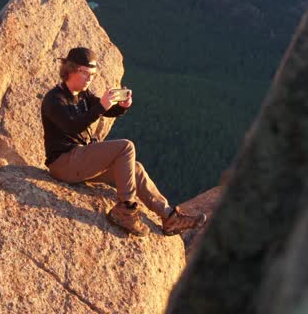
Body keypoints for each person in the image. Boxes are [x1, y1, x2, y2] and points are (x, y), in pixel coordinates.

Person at [40, 46, 207, 236]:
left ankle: (170, 217)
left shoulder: (83, 94)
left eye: (93, 74)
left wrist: (121, 106)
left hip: (80, 162)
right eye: (84, 73)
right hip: (64, 163)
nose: (89, 78)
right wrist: (101, 106)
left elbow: (105, 110)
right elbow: (72, 127)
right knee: (125, 147)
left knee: (135, 168)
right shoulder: (54, 99)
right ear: (69, 69)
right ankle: (125, 209)